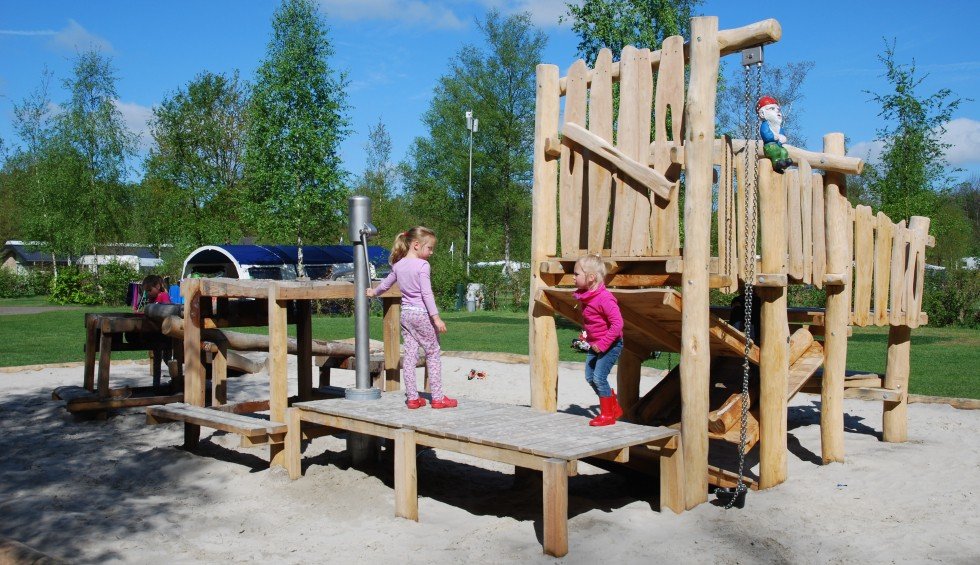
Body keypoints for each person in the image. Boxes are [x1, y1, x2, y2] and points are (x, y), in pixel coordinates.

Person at [366, 227, 457, 409]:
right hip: (422, 314)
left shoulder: (398, 265)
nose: (431, 252)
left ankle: (413, 398)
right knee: (432, 353)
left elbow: (385, 284)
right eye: (429, 248)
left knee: (410, 354)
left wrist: (373, 292)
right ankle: (438, 398)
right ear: (416, 245)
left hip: (406, 314)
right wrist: (436, 318)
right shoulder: (423, 266)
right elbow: (426, 293)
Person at [573, 254, 624, 426]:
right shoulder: (587, 296)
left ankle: (608, 415)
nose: (573, 277)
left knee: (599, 378)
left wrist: (602, 344)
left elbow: (618, 324)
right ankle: (614, 406)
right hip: (596, 345)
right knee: (589, 376)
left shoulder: (604, 298)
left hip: (610, 344)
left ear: (591, 277)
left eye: (576, 274)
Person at [757, 95, 794, 173]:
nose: (778, 112)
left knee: (784, 151)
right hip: (770, 146)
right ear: (762, 114)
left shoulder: (778, 127)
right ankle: (776, 162)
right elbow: (766, 134)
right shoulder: (765, 125)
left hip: (778, 145)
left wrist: (782, 139)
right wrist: (775, 137)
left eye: (778, 109)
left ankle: (784, 162)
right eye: (772, 109)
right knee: (775, 151)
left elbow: (782, 135)